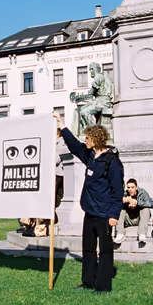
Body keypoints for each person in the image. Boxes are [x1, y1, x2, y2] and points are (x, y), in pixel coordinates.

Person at [55, 110, 123, 293]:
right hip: (90, 213)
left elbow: (118, 191)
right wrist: (61, 124)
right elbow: (74, 146)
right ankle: (88, 282)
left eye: (88, 138)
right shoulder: (90, 156)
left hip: (105, 214)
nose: (85, 140)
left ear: (96, 139)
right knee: (88, 250)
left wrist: (114, 215)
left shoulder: (112, 161)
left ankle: (103, 286)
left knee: (105, 252)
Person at [114, 178, 153, 245]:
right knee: (120, 208)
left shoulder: (142, 193)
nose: (130, 189)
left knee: (146, 209)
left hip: (139, 219)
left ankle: (142, 233)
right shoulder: (124, 194)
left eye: (132, 187)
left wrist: (137, 203)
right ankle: (120, 233)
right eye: (128, 187)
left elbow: (151, 203)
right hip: (128, 219)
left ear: (136, 187)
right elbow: (114, 203)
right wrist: (121, 201)